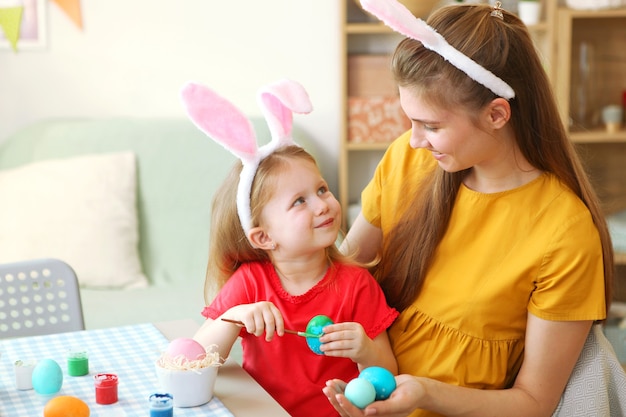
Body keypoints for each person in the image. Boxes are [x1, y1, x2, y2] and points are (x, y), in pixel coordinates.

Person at [323, 1, 614, 416]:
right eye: (410, 120)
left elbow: (534, 403)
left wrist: (425, 394)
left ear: (497, 114)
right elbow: (344, 280)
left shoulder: (563, 232)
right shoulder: (408, 162)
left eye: (431, 125)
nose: (415, 141)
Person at [181, 79, 398, 417]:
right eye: (300, 201)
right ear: (264, 238)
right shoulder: (251, 284)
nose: (322, 204)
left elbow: (390, 375)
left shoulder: (356, 286)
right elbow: (192, 362)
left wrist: (366, 350)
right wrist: (234, 317)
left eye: (322, 189)